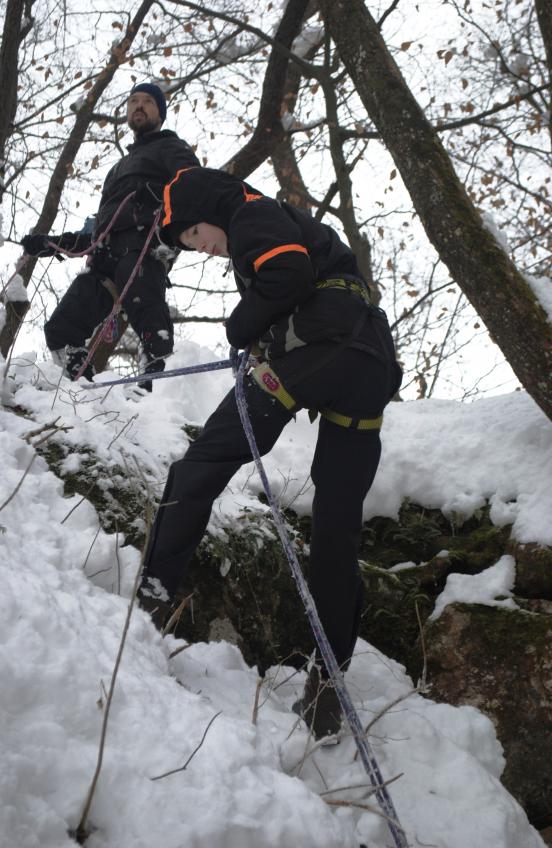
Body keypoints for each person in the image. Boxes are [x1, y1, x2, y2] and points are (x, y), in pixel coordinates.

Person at [138, 166, 402, 738]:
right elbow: (295, 278)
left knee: (204, 459)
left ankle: (150, 599)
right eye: (188, 244)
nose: (200, 248)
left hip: (320, 349)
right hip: (367, 364)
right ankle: (328, 684)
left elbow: (287, 275)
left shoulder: (251, 213)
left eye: (192, 234)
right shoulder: (283, 222)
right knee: (336, 527)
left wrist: (241, 328)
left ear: (209, 207)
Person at [21, 83, 200, 388]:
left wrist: (159, 196)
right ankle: (82, 389)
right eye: (133, 101)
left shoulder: (172, 148)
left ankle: (157, 392)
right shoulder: (117, 170)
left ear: (161, 112)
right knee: (61, 328)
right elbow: (98, 228)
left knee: (149, 319)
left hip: (146, 247)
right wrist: (53, 244)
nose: (139, 106)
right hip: (105, 257)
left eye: (147, 101)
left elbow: (196, 186)